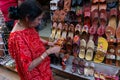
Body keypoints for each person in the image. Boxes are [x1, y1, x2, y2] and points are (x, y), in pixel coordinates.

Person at [8, 0, 61, 80]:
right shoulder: (17, 38)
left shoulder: (24, 24)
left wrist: (49, 43)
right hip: (34, 75)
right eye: (38, 19)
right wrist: (48, 52)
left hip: (42, 66)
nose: (40, 23)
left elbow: (34, 37)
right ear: (27, 17)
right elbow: (28, 67)